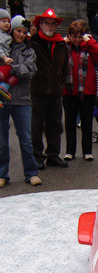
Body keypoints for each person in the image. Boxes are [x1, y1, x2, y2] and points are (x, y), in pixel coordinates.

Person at [0, 15, 41, 188]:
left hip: (22, 100)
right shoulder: (3, 48)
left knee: (26, 138)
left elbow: (29, 71)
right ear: (12, 30)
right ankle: (2, 174)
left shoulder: (29, 51)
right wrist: (17, 70)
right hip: (2, 99)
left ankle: (31, 173)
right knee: (1, 140)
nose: (21, 35)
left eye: (24, 32)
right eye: (18, 30)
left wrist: (10, 69)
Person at [30, 8, 69, 170]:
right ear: (40, 24)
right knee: (36, 126)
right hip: (36, 90)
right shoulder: (32, 43)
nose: (50, 26)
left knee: (55, 125)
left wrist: (60, 83)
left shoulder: (61, 44)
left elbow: (65, 67)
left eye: (53, 24)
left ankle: (53, 155)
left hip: (55, 91)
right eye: (47, 23)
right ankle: (37, 156)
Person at [63, 21, 98, 162]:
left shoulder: (88, 47)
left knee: (87, 122)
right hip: (69, 91)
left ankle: (87, 151)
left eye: (79, 36)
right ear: (69, 36)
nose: (76, 39)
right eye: (73, 36)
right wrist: (63, 42)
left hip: (87, 91)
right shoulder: (65, 47)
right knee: (70, 122)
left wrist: (90, 41)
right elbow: (55, 57)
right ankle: (70, 151)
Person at [0, 9, 19, 105]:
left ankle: (3, 89)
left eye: (8, 21)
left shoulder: (6, 35)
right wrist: (4, 57)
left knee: (14, 75)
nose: (6, 24)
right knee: (10, 70)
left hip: (5, 60)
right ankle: (3, 87)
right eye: (3, 21)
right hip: (3, 61)